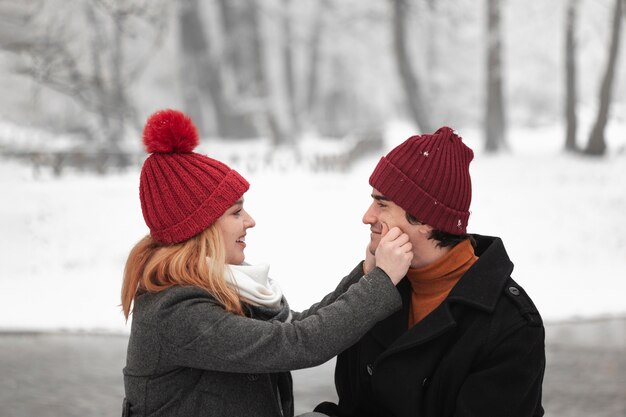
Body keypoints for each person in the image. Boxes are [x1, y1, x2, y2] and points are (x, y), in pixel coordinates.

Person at [120, 109, 414, 417]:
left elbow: (296, 325)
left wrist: (366, 275)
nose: (249, 222)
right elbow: (299, 343)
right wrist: (380, 282)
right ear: (200, 228)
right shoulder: (176, 314)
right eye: (236, 213)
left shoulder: (223, 289)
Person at [314, 127, 546, 417]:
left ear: (424, 219)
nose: (367, 216)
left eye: (382, 203)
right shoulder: (378, 290)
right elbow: (353, 405)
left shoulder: (510, 326)